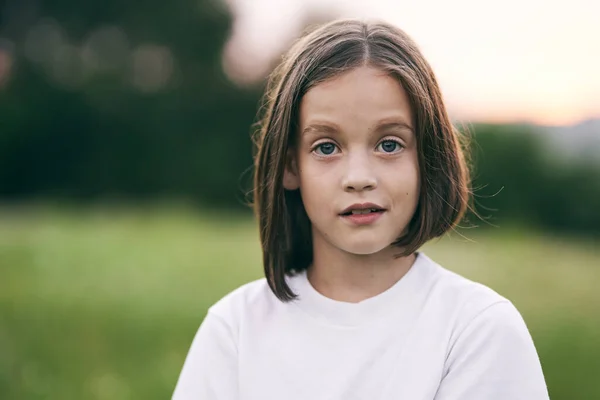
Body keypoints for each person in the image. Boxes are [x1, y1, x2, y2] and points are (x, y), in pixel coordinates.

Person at [172, 18, 549, 400]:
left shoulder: (477, 329)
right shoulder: (235, 330)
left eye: (389, 144)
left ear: (427, 158)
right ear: (290, 166)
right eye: (326, 147)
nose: (358, 177)